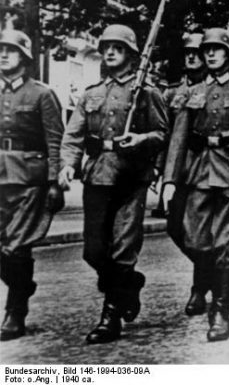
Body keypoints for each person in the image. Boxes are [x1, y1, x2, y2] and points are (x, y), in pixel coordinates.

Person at [59, 24, 169, 344]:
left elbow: (162, 134)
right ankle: (129, 285)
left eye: (117, 48)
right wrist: (68, 165)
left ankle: (110, 317)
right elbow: (74, 135)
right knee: (94, 250)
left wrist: (141, 139)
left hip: (131, 176)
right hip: (97, 174)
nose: (109, 52)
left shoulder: (147, 92)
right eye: (106, 47)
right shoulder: (91, 93)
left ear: (131, 56)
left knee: (122, 247)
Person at [162, 27, 229, 341]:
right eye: (207, 49)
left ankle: (221, 312)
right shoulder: (193, 91)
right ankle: (209, 283)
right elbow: (179, 138)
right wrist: (171, 179)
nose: (209, 54)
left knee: (226, 243)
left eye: (217, 49)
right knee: (195, 239)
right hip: (199, 171)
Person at [0, 29, 65, 341]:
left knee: (16, 248)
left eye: (10, 51)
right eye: (0, 49)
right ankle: (23, 286)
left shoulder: (42, 94)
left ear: (24, 59)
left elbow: (55, 141)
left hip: (29, 180)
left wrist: (55, 182)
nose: (3, 55)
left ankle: (15, 312)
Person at [160, 34, 211, 316]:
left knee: (197, 232)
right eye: (187, 52)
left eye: (197, 52)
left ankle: (199, 289)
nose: (191, 57)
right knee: (174, 228)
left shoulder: (211, 88)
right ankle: (212, 267)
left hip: (204, 166)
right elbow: (166, 133)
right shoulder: (171, 92)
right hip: (176, 167)